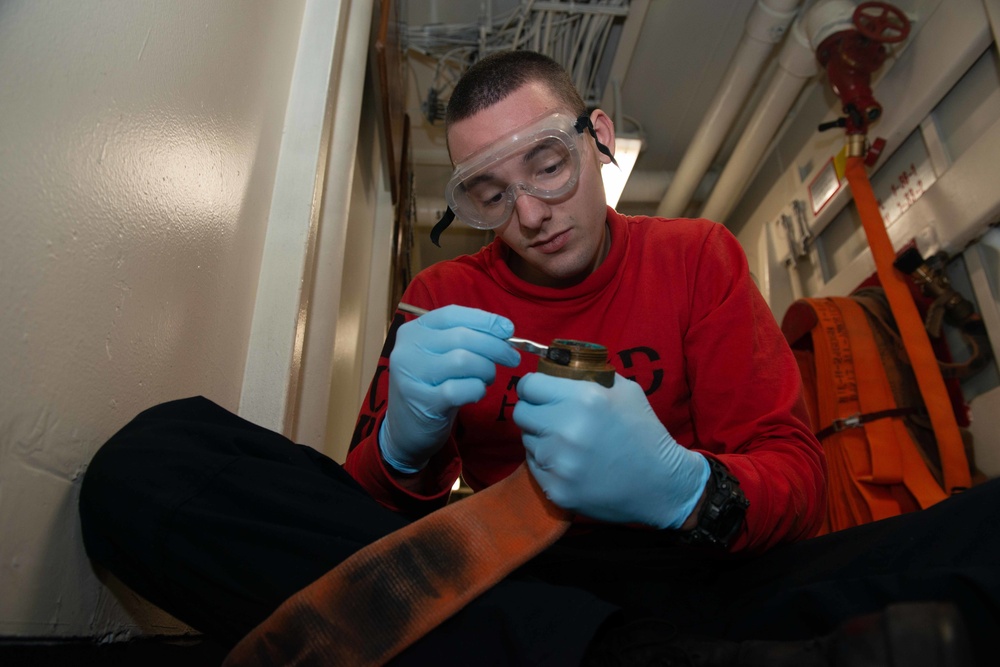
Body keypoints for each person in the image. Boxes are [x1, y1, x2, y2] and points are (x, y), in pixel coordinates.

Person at [79, 50, 998, 666]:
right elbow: (359, 527)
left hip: (703, 570)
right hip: (517, 575)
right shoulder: (440, 299)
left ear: (598, 140)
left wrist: (686, 487)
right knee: (155, 459)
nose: (529, 213)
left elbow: (795, 478)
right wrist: (403, 447)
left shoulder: (698, 257)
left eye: (548, 165)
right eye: (488, 191)